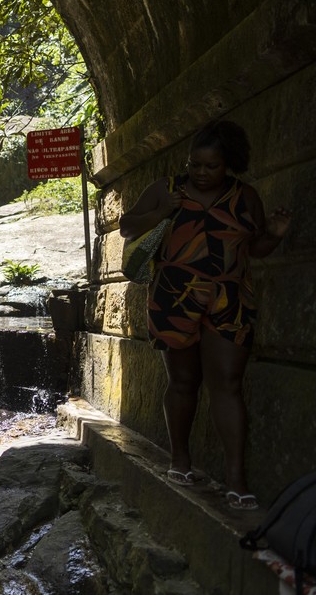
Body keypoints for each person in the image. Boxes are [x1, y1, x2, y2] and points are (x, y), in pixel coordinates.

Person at [118, 120, 291, 510]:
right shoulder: (166, 188)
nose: (200, 172)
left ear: (228, 164)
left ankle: (236, 479)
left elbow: (255, 249)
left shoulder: (245, 196)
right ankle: (180, 460)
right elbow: (127, 226)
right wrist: (163, 210)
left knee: (227, 383)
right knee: (182, 381)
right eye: (195, 164)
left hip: (230, 300)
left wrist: (274, 235)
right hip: (174, 297)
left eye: (210, 166)